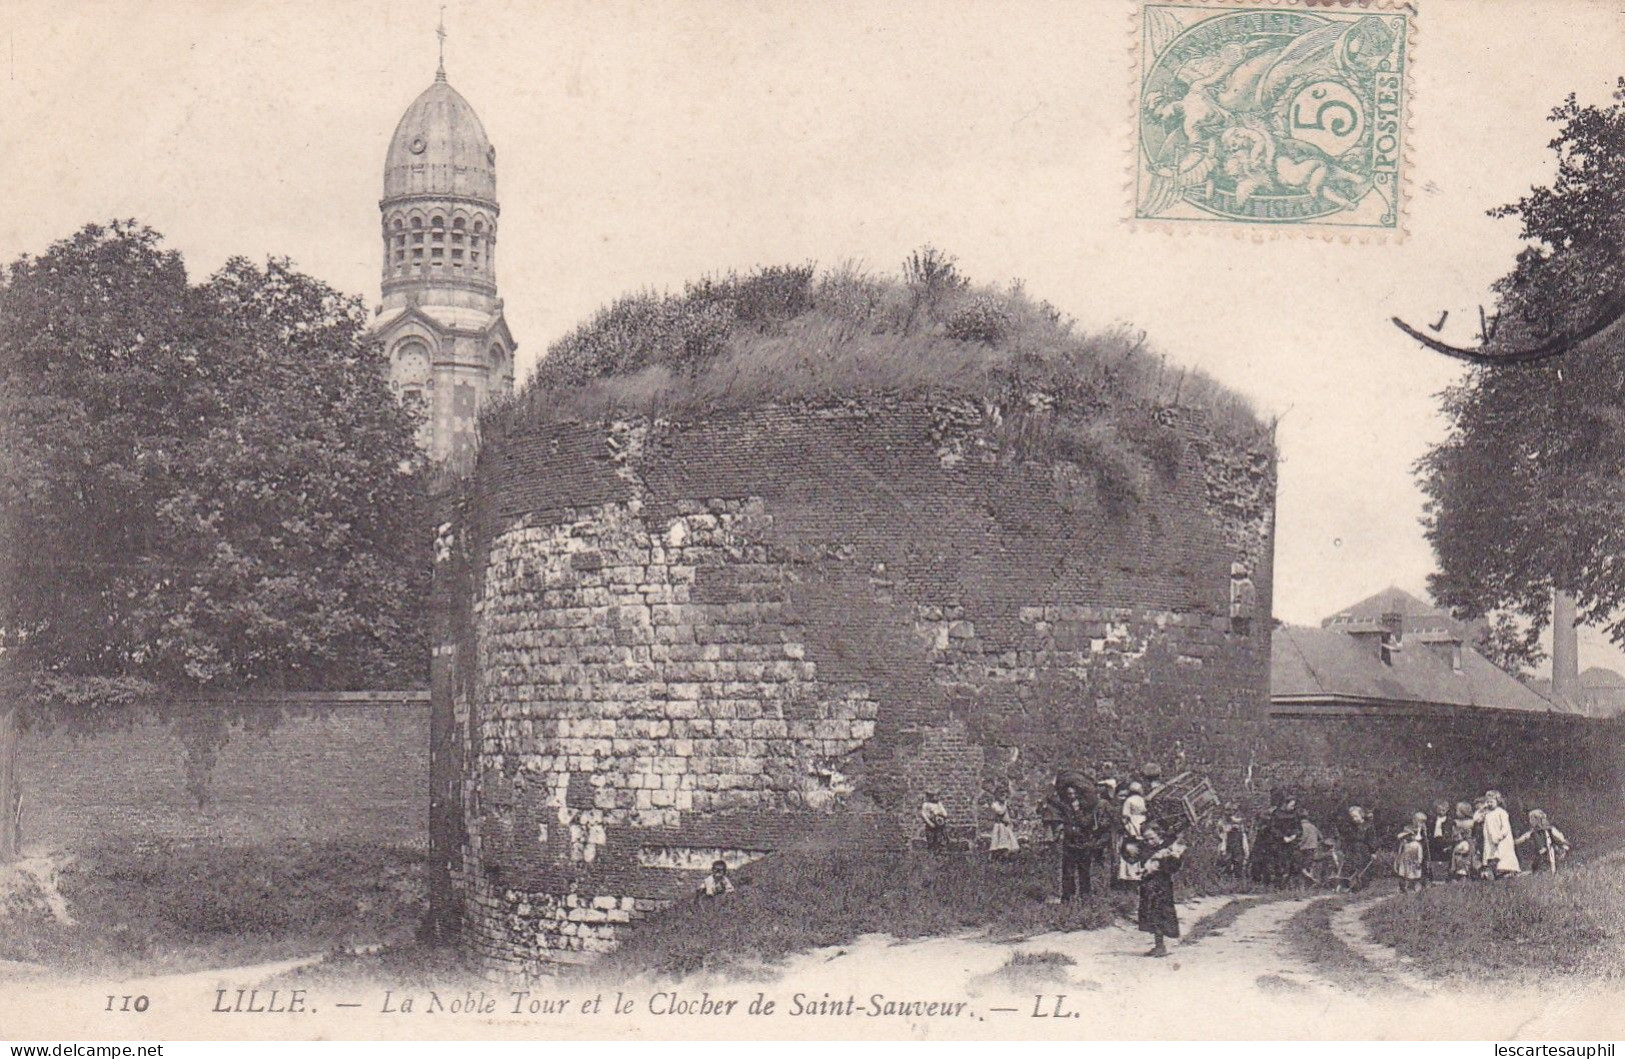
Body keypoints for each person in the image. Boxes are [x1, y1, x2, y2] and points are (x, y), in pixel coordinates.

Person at [1137, 826, 1186, 958]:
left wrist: (1162, 863)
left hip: (1162, 887)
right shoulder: (1148, 850)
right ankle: (1158, 944)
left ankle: (1161, 946)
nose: (1149, 842)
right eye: (1146, 840)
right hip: (1148, 886)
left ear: (1160, 836)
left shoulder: (1168, 851)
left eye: (1152, 838)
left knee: (1160, 913)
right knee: (1150, 914)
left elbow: (1173, 867)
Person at [1516, 809, 1570, 873]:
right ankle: (1537, 871)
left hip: (1551, 850)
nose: (1530, 821)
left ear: (1537, 820)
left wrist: (1564, 846)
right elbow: (1523, 838)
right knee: (1537, 865)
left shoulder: (1550, 830)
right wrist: (1514, 842)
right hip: (1541, 853)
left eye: (1531, 819)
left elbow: (1560, 839)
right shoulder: (1533, 832)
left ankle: (1552, 872)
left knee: (1551, 858)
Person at [1481, 790, 1520, 878]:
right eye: (1487, 802)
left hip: (1502, 839)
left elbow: (1505, 826)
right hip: (1491, 838)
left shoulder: (1501, 812)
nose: (1489, 804)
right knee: (1493, 856)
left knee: (1504, 855)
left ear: (1497, 801)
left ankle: (1509, 871)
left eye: (1491, 802)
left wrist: (1501, 835)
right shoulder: (1487, 814)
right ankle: (1495, 872)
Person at [1337, 805, 1376, 891]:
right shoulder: (1351, 827)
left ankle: (1363, 886)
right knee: (1350, 866)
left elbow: (1371, 839)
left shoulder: (1368, 826)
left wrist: (1373, 852)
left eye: (1355, 816)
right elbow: (1347, 839)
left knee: (1363, 867)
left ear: (1361, 815)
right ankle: (1349, 885)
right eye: (1352, 817)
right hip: (1352, 848)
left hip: (1363, 849)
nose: (1354, 819)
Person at [1394, 812, 1428, 893]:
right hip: (1407, 854)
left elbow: (1423, 841)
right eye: (1419, 821)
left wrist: (1424, 833)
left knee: (1415, 871)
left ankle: (1414, 885)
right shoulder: (1408, 828)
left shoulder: (1422, 831)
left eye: (1423, 822)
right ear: (1414, 820)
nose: (1421, 823)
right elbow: (1401, 838)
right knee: (1404, 871)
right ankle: (1402, 886)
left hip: (1416, 855)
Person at [1217, 804, 1250, 879]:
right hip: (1227, 845)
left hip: (1237, 846)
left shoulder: (1238, 822)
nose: (1229, 813)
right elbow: (1221, 836)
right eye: (1227, 810)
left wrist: (1246, 853)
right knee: (1225, 863)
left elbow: (1243, 838)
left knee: (1238, 864)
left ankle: (1238, 881)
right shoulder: (1222, 822)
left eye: (1232, 810)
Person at [985, 789, 1020, 862]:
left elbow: (1009, 816)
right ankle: (994, 858)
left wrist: (1011, 811)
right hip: (999, 826)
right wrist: (1005, 805)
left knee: (1008, 843)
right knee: (998, 843)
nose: (1004, 798)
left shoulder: (1004, 805)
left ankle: (1006, 858)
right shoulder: (995, 804)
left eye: (1005, 796)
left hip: (1006, 826)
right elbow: (1000, 812)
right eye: (1002, 796)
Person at [1427, 799, 1454, 881]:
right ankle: (1434, 874)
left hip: (1444, 840)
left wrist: (1449, 840)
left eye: (1444, 810)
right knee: (1434, 855)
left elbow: (1450, 831)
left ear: (1447, 810)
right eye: (1439, 810)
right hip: (1435, 839)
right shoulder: (1433, 820)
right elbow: (1430, 829)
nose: (1442, 812)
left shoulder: (1449, 820)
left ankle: (1445, 874)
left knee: (1445, 856)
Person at [1450, 801, 1477, 880]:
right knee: (1462, 857)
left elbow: (1455, 834)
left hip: (1465, 842)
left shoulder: (1458, 823)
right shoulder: (1471, 822)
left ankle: (1464, 874)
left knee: (1462, 857)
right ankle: (1463, 873)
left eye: (1457, 810)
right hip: (1467, 842)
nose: (1456, 812)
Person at [1298, 813, 1326, 887]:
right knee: (1309, 866)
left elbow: (1302, 838)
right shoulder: (1313, 827)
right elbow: (1321, 838)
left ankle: (1312, 879)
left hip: (1302, 849)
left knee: (1301, 867)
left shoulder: (1300, 827)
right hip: (1313, 848)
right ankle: (1311, 881)